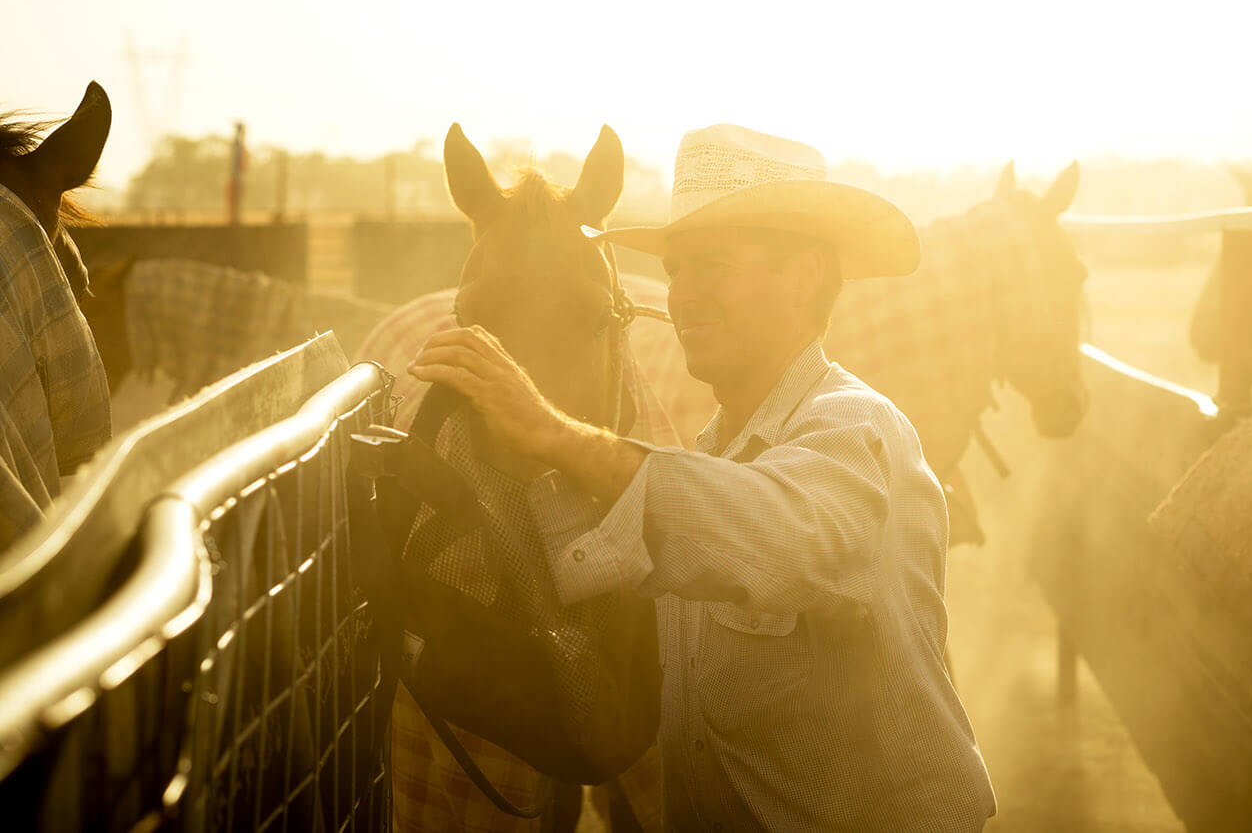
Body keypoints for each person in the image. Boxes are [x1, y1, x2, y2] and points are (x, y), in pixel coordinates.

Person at [409, 124, 997, 831]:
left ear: (805, 277)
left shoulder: (856, 432)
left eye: (710, 266)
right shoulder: (713, 453)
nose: (681, 295)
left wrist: (551, 431)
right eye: (677, 268)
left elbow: (768, 532)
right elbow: (596, 564)